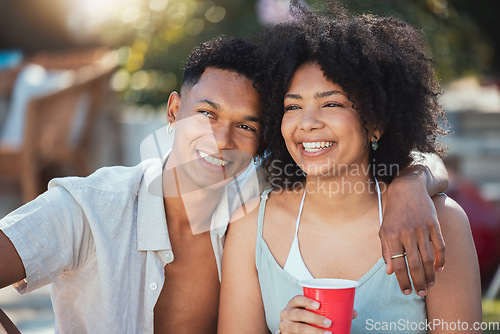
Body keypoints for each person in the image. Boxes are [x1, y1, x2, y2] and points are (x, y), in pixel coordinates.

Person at [0, 36, 445, 332]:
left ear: (262, 143)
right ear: (174, 111)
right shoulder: (88, 208)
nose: (221, 140)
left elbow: (358, 159)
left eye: (246, 127)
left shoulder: (255, 199)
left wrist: (410, 183)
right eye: (207, 114)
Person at [218, 4, 482, 334]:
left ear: (375, 122)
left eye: (332, 103)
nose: (308, 122)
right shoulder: (250, 227)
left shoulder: (437, 223)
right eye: (293, 106)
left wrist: (412, 183)